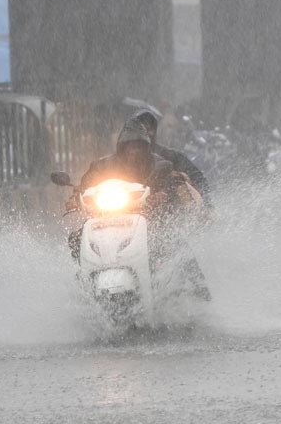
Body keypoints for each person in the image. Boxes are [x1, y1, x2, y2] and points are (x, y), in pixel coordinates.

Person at [75, 120, 209, 300]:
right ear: (121, 147)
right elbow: (86, 185)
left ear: (146, 148)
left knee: (175, 243)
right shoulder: (103, 165)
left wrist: (163, 195)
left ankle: (199, 290)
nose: (133, 151)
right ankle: (81, 285)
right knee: (76, 238)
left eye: (138, 146)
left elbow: (175, 184)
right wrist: (76, 197)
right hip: (108, 218)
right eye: (129, 146)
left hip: (150, 218)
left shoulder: (159, 164)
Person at [129, 108, 211, 204]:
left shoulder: (170, 156)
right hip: (123, 206)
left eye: (150, 128)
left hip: (160, 208)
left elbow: (198, 179)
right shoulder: (119, 157)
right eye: (141, 127)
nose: (146, 131)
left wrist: (206, 205)